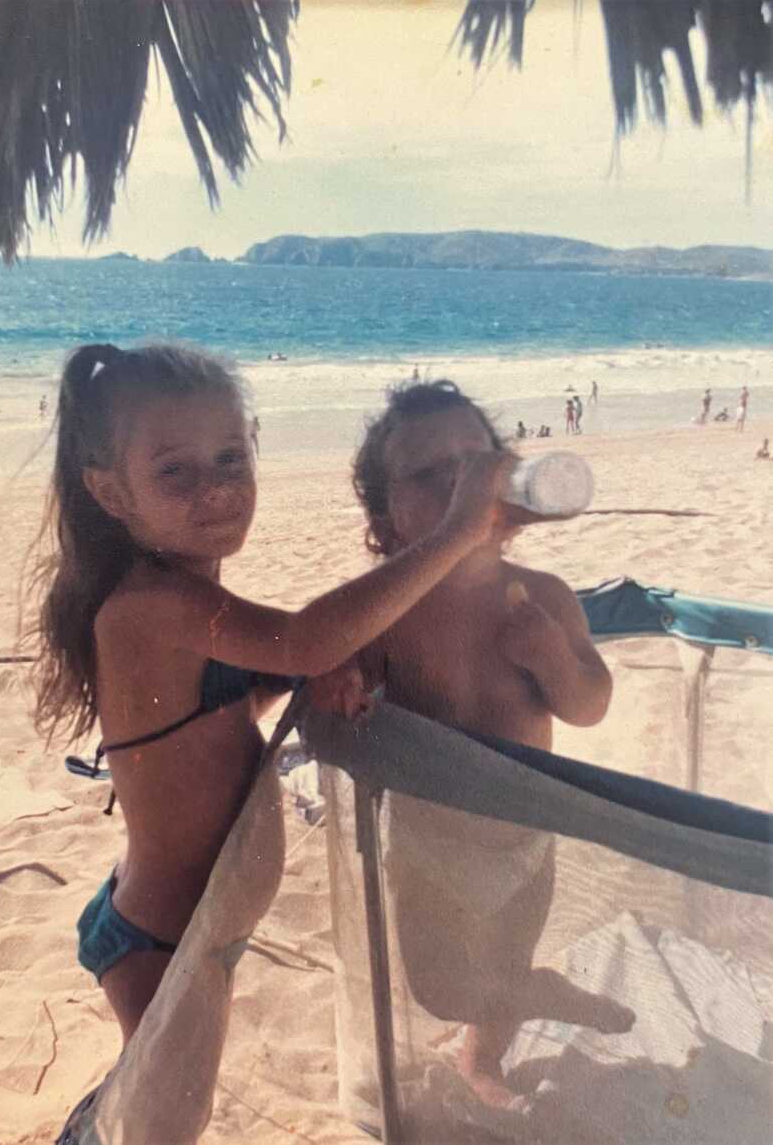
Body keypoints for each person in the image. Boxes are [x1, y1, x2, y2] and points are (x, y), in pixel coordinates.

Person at [32, 345, 510, 1079]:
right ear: (113, 494)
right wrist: (458, 533)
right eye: (175, 472)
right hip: (164, 938)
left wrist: (301, 678)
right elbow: (303, 638)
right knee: (161, 1118)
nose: (217, 489)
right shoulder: (148, 604)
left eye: (231, 458)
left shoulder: (188, 594)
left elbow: (230, 701)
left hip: (199, 922)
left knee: (156, 1098)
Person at [341, 380, 634, 1108]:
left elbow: (590, 705)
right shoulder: (388, 609)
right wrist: (345, 681)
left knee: (504, 958)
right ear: (385, 516)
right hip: (428, 843)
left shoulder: (545, 595)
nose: (461, 484)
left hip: (526, 836)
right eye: (429, 473)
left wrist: (554, 660)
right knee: (439, 985)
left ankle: (485, 1059)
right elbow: (343, 673)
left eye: (476, 464)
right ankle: (534, 993)